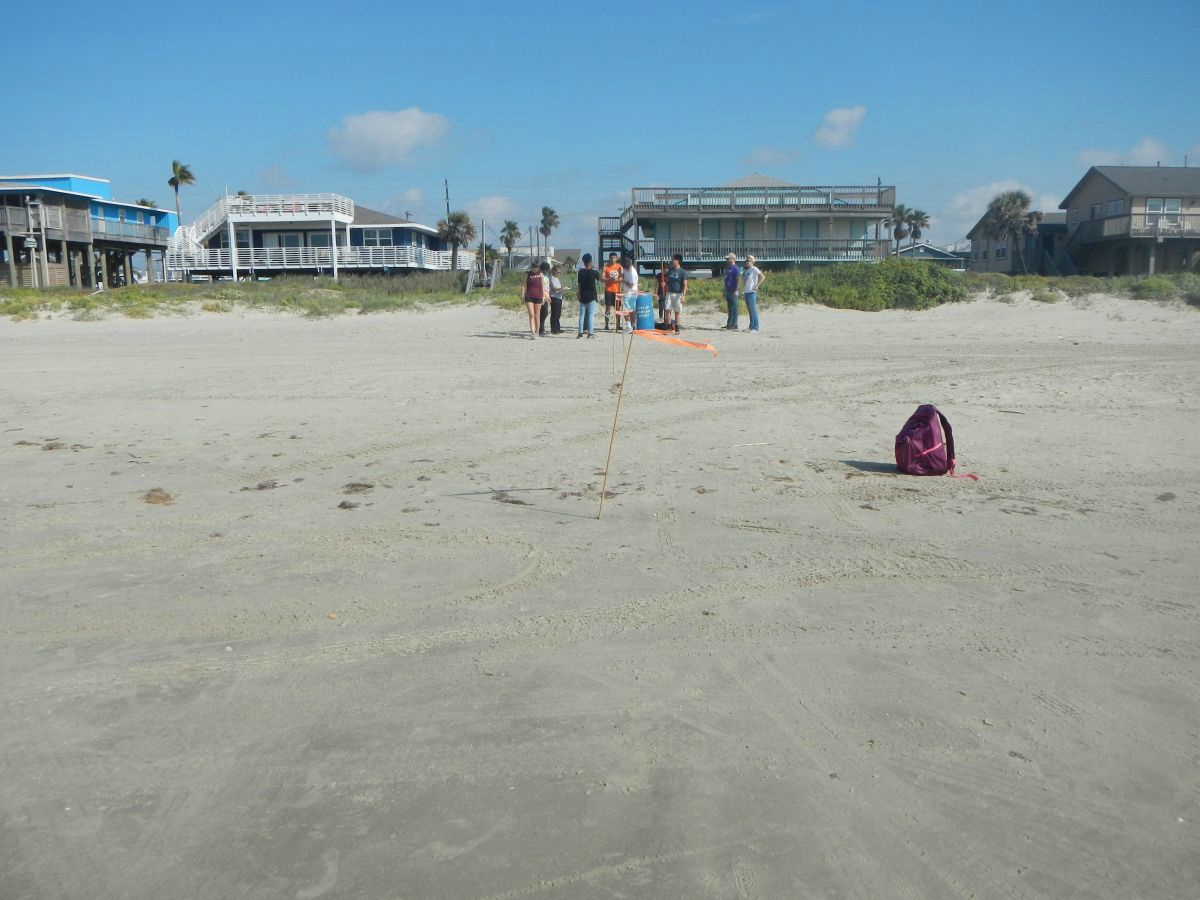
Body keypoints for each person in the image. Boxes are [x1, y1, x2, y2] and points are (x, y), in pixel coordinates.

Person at [575, 253, 601, 338]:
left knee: (582, 315)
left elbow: (579, 285)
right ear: (590, 261)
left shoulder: (580, 272)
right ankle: (590, 333)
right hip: (592, 296)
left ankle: (580, 332)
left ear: (583, 262)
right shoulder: (594, 272)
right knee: (590, 315)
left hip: (583, 295)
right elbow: (600, 279)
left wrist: (578, 294)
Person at [520, 261, 546, 339]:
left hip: (538, 296)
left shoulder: (541, 274)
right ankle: (533, 332)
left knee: (537, 315)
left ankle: (537, 332)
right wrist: (522, 295)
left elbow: (543, 287)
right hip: (529, 296)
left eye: (537, 267)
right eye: (534, 267)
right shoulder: (528, 274)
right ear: (531, 267)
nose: (535, 269)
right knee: (531, 314)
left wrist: (544, 296)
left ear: (539, 268)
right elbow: (524, 286)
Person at [664, 254, 687, 333]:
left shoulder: (682, 272)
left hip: (678, 294)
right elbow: (667, 280)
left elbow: (685, 284)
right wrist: (665, 284)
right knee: (667, 309)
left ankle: (677, 328)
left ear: (678, 261)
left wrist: (683, 295)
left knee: (677, 311)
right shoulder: (670, 270)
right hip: (669, 293)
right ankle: (670, 326)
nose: (672, 261)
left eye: (673, 259)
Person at [742, 255, 764, 333]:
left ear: (752, 262)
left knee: (753, 310)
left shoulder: (754, 269)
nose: (747, 262)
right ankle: (751, 326)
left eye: (749, 261)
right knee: (750, 310)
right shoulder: (747, 270)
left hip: (752, 292)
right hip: (747, 292)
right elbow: (745, 281)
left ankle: (756, 327)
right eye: (746, 261)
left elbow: (762, 277)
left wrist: (757, 285)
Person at [619, 257, 639, 333]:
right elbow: (622, 272)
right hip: (627, 292)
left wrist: (623, 280)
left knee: (626, 310)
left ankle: (629, 326)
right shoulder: (625, 269)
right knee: (631, 310)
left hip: (631, 293)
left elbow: (630, 284)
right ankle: (633, 326)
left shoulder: (633, 273)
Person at [602, 252, 622, 330]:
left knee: (617, 308)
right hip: (608, 290)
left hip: (617, 290)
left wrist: (616, 279)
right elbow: (602, 278)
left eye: (614, 258)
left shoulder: (619, 267)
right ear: (609, 258)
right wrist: (610, 279)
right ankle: (606, 325)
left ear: (616, 258)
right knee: (608, 308)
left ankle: (618, 325)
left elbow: (622, 278)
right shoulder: (606, 267)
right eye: (611, 258)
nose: (613, 259)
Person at [722, 252, 741, 330]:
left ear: (732, 258)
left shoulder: (735, 268)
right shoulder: (727, 268)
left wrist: (737, 290)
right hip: (728, 290)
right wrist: (724, 290)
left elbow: (738, 280)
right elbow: (726, 280)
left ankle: (734, 324)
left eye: (728, 258)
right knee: (729, 308)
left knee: (734, 308)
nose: (726, 260)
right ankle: (729, 324)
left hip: (733, 291)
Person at [537, 261, 554, 335]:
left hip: (546, 296)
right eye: (546, 269)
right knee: (541, 312)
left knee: (545, 312)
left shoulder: (547, 276)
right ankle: (540, 328)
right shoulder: (539, 276)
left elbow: (548, 287)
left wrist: (548, 295)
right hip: (540, 296)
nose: (547, 271)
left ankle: (541, 327)